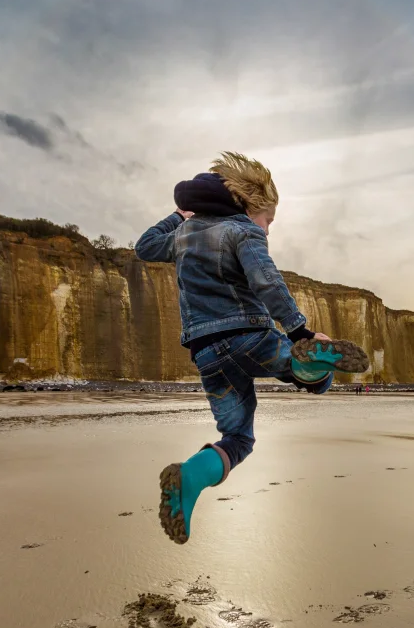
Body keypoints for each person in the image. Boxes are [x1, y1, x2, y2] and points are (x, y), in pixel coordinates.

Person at [135, 152, 369, 545]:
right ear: (249, 206)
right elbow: (266, 281)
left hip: (207, 353)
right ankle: (310, 363)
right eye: (268, 220)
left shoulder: (183, 235)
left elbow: (145, 246)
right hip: (249, 335)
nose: (268, 229)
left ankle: (189, 477)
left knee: (238, 438)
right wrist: (300, 331)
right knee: (310, 375)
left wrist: (178, 216)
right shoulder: (243, 231)